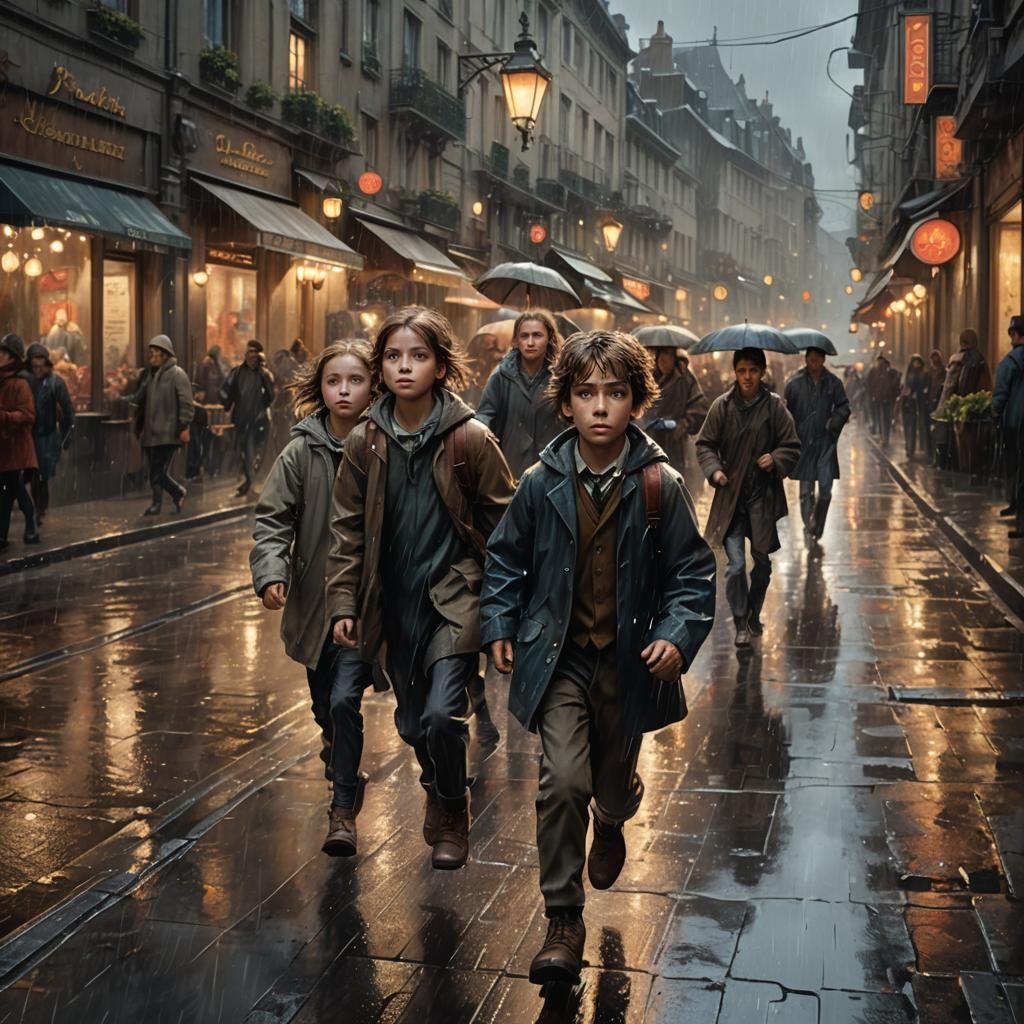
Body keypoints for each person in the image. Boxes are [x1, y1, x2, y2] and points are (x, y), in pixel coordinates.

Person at [480, 329, 716, 987]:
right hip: (559, 660)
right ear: (567, 405)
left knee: (609, 785)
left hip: (629, 665)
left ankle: (613, 816)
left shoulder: (659, 485)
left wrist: (677, 634)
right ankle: (562, 919)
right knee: (560, 782)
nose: (602, 407)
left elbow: (693, 574)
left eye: (616, 393)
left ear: (637, 401)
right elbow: (505, 557)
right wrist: (499, 619)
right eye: (587, 394)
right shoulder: (539, 482)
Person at [325, 307, 515, 872]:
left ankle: (454, 810)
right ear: (380, 366)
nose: (405, 367)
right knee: (411, 724)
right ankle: (437, 780)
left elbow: (506, 529)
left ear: (440, 365)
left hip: (455, 602)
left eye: (418, 356)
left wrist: (502, 611)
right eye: (393, 357)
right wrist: (343, 603)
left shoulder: (472, 440)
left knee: (441, 716)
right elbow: (346, 529)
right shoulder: (365, 442)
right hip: (393, 604)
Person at [252, 341, 378, 856]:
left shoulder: (384, 443)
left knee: (347, 699)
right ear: (320, 388)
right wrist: (272, 571)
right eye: (333, 382)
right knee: (325, 704)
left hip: (365, 605)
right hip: (313, 604)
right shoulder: (301, 450)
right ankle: (339, 754)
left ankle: (342, 810)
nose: (343, 391)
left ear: (373, 386)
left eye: (354, 381)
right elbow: (273, 517)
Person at [696, 347, 801, 647]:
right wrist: (715, 471)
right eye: (742, 370)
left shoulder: (774, 407)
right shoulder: (722, 406)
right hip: (730, 498)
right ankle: (741, 620)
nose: (747, 377)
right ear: (735, 372)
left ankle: (754, 611)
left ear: (762, 372)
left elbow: (791, 444)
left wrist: (776, 458)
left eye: (753, 370)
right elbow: (705, 444)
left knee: (762, 563)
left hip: (761, 497)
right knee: (736, 566)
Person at [475, 310, 564, 480]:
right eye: (524, 336)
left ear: (549, 339)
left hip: (549, 469)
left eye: (537, 335)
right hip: (510, 468)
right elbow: (484, 416)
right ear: (517, 340)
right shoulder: (501, 375)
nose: (530, 342)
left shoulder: (559, 377)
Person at [784, 346, 850, 544]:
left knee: (826, 490)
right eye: (810, 359)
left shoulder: (833, 383)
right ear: (806, 360)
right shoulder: (794, 384)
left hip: (825, 443)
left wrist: (833, 423)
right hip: (803, 444)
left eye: (817, 360)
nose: (814, 363)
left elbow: (844, 406)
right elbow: (786, 412)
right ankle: (809, 525)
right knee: (805, 491)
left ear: (822, 360)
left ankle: (819, 523)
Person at [132, 335, 194, 516]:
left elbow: (186, 403)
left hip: (168, 433)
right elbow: (139, 397)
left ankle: (158, 503)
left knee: (157, 472)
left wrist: (182, 424)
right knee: (157, 471)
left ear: (164, 354)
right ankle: (175, 493)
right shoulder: (151, 376)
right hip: (152, 433)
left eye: (155, 353)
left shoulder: (177, 374)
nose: (151, 356)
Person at [25, 343, 74, 525]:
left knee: (41, 476)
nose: (37, 370)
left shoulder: (55, 382)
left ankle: (39, 509)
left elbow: (68, 412)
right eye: (34, 366)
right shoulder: (25, 382)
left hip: (47, 436)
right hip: (29, 436)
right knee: (31, 476)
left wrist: (67, 439)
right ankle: (35, 508)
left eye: (41, 366)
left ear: (46, 365)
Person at [220, 339, 276, 496]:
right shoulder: (237, 372)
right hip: (241, 418)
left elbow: (271, 396)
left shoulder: (264, 374)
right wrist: (225, 402)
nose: (251, 356)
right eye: (249, 352)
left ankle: (250, 485)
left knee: (253, 452)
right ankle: (248, 484)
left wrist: (262, 406)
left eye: (254, 352)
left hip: (258, 419)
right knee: (244, 451)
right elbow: (226, 390)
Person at [0, 334, 39, 551]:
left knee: (14, 488)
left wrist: (5, 417)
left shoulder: (19, 384)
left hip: (15, 448)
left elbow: (28, 415)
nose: (0, 355)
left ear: (13, 358)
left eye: (4, 352)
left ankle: (31, 522)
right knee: (5, 492)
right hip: (4, 448)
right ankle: (2, 534)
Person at [639, 344, 708, 468]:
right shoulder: (646, 378)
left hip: (676, 444)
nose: (667, 359)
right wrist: (646, 422)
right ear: (657, 356)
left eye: (671, 354)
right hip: (649, 442)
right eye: (664, 353)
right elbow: (635, 407)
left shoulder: (685, 377)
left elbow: (700, 407)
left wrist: (683, 424)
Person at [993, 315, 1024, 539]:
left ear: (1015, 334)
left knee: (1019, 471)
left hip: (1017, 423)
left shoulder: (1010, 362)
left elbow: (1001, 394)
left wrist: (994, 412)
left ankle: (1021, 523)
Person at [940, 329, 992, 406]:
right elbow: (986, 387)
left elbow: (948, 389)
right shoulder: (981, 360)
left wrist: (941, 409)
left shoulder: (955, 359)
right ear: (976, 342)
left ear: (961, 343)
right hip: (975, 406)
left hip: (957, 407)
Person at [897, 354, 930, 459]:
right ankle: (909, 448)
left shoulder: (923, 374)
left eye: (918, 362)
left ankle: (916, 448)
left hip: (919, 403)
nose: (916, 364)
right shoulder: (908, 374)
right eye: (915, 362)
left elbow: (925, 387)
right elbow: (903, 388)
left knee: (918, 426)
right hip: (908, 403)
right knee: (909, 426)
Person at [870, 355, 901, 447]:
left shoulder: (889, 373)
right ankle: (884, 438)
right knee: (883, 419)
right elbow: (873, 385)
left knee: (885, 420)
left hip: (887, 399)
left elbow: (894, 386)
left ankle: (885, 439)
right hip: (880, 399)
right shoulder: (877, 372)